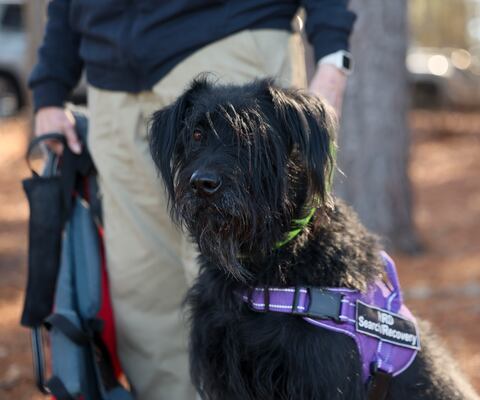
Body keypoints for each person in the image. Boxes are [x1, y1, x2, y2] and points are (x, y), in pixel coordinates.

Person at [29, 1, 355, 399]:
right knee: (143, 300)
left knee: (256, 302)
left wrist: (333, 55)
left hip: (227, 37)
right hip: (109, 74)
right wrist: (50, 85)